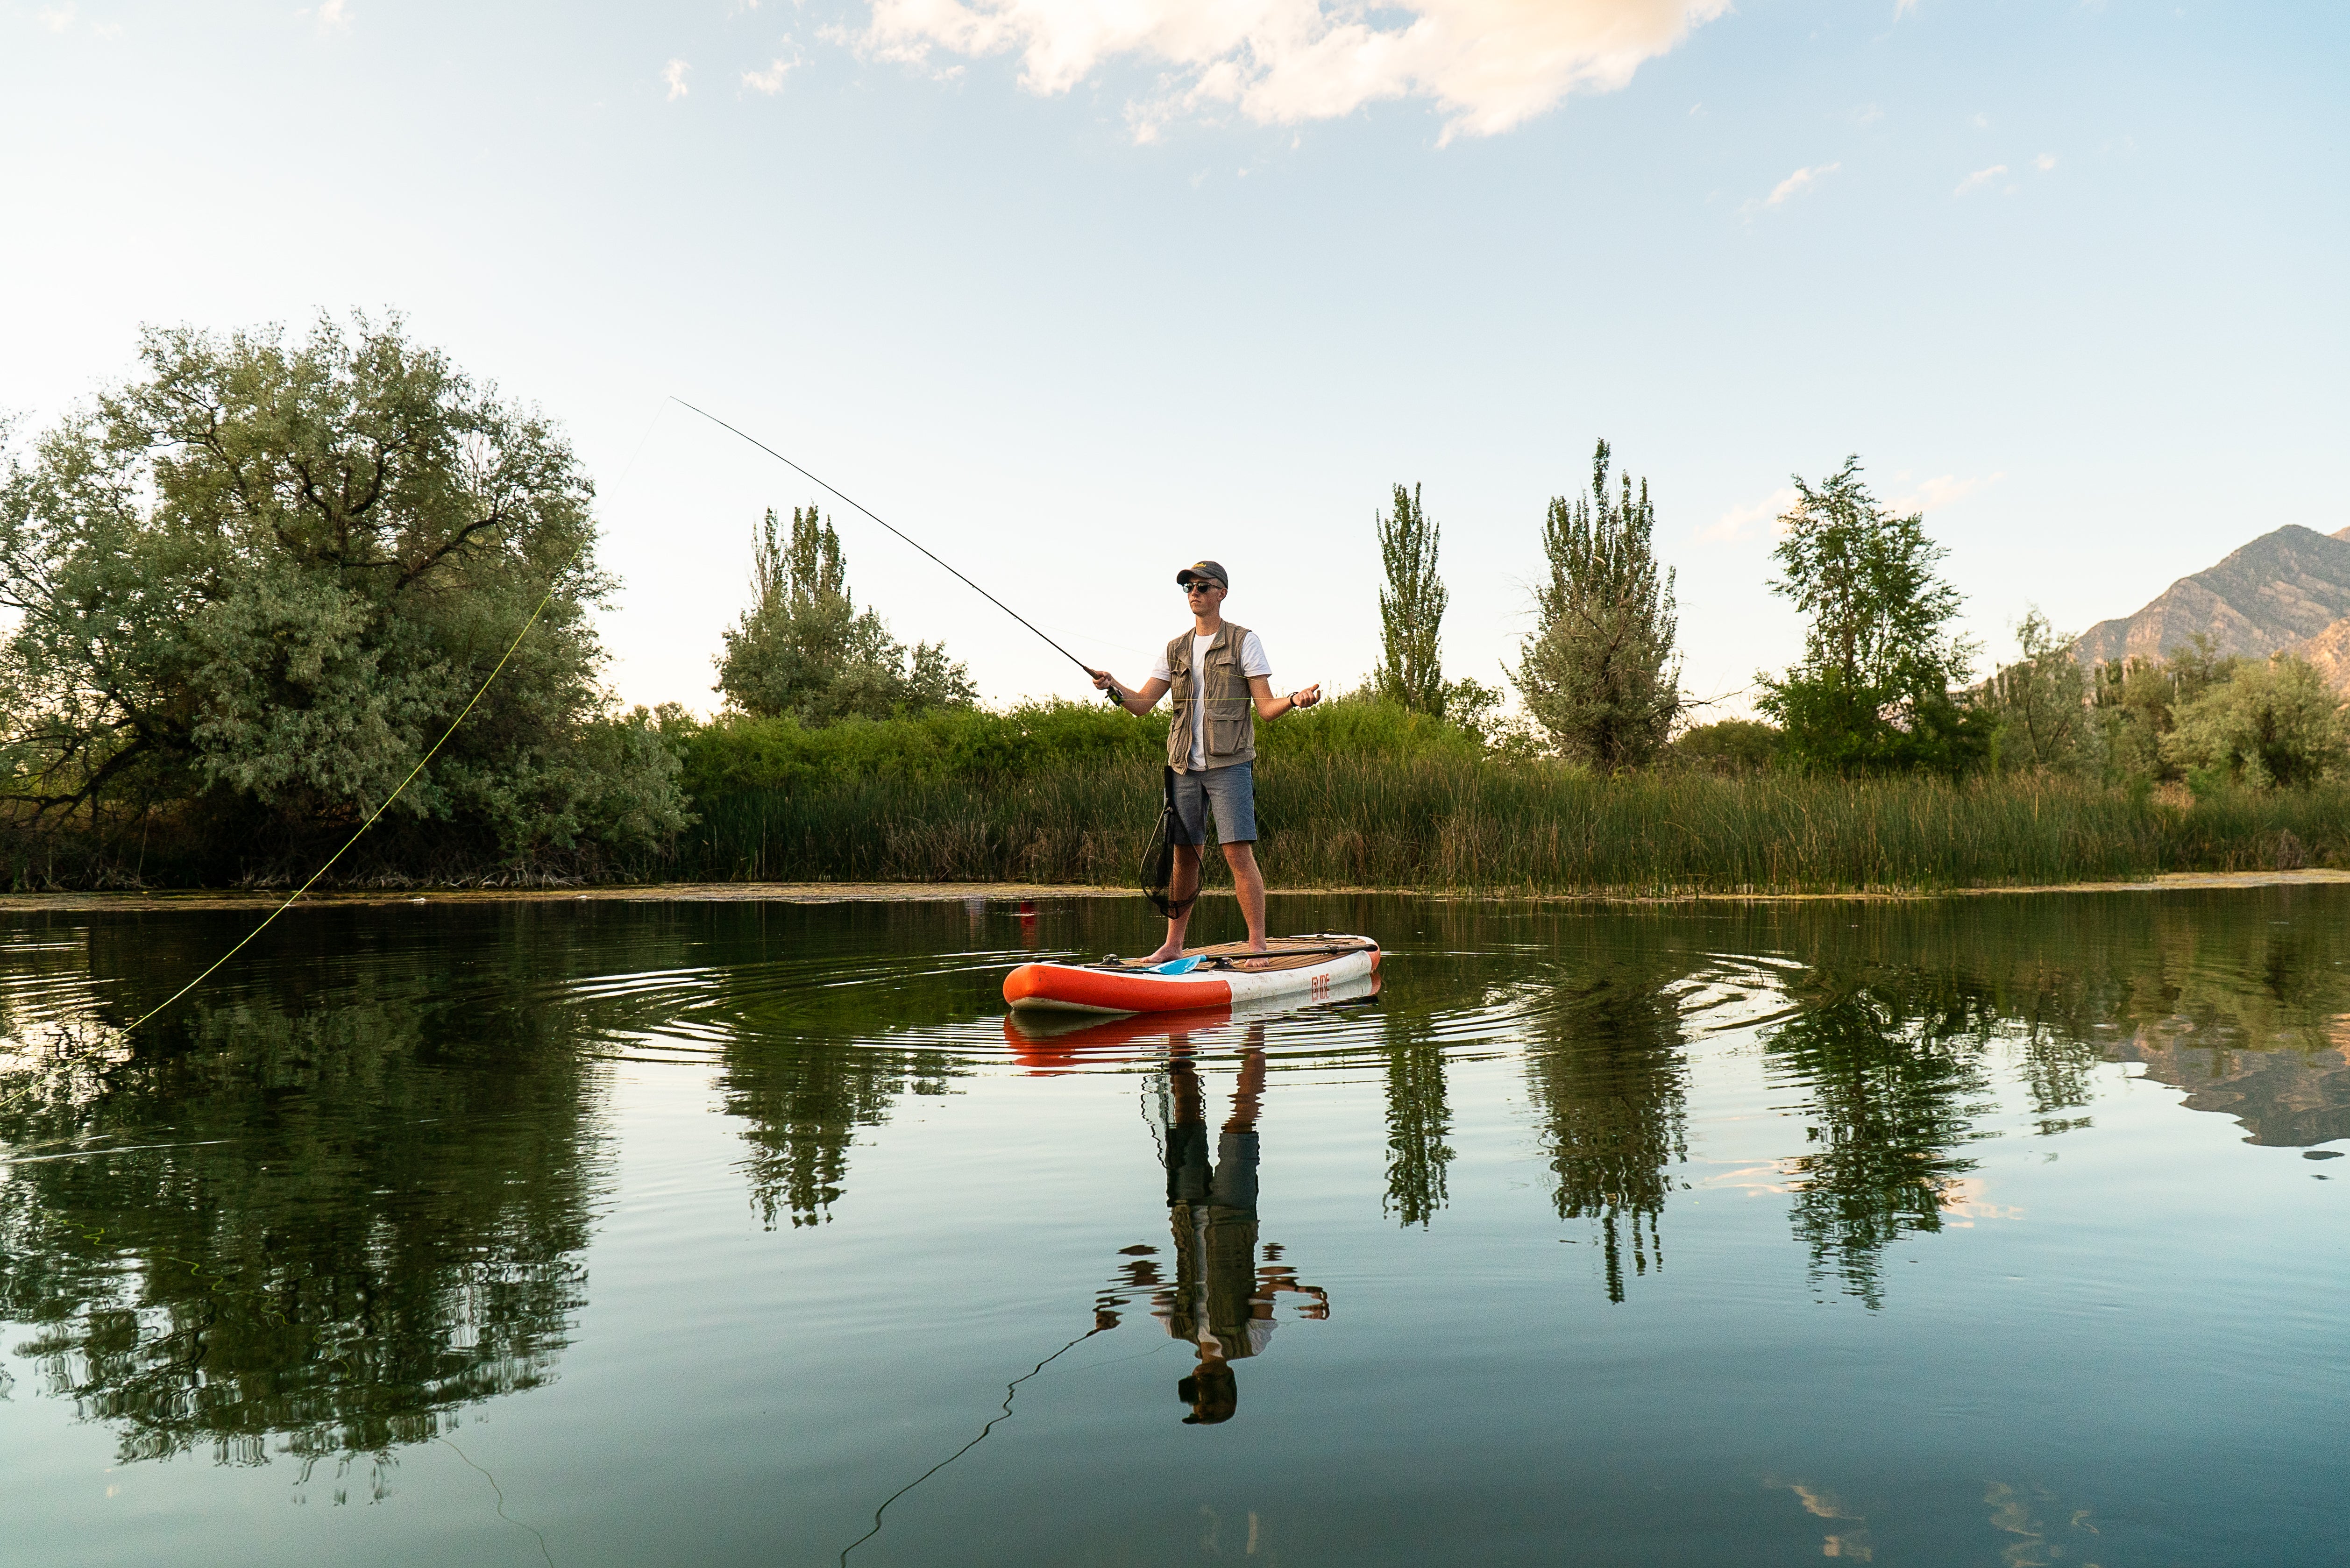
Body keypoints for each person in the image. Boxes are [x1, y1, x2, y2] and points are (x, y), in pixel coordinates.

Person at [1089, 561, 1322, 960]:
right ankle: (1172, 945)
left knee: (1236, 851)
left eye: (1202, 586)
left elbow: (1265, 708)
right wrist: (1112, 687)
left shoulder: (1244, 641)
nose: (1194, 592)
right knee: (1184, 853)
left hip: (1229, 762)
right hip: (1182, 766)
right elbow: (1142, 704)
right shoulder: (1174, 648)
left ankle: (1257, 945)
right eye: (1188, 587)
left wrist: (1295, 700)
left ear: (1221, 593)